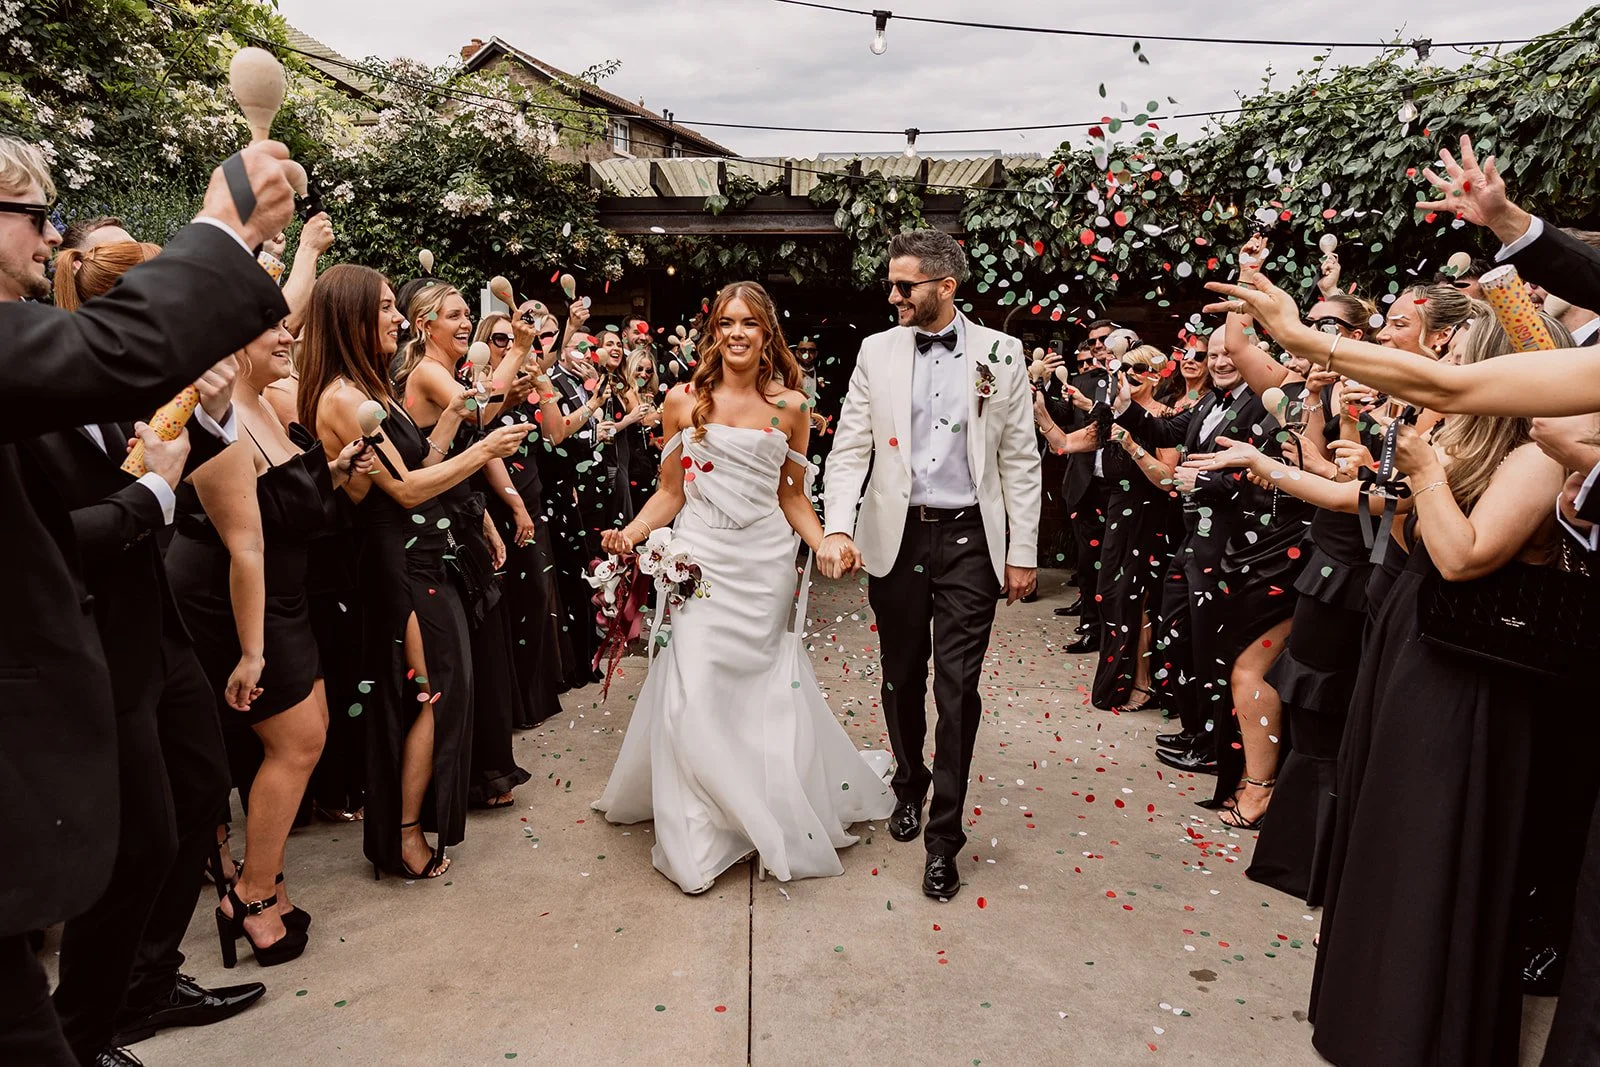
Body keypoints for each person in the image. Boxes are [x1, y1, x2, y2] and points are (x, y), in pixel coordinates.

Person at [0, 134, 296, 1066]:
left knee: (171, 817)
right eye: (32, 216)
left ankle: (109, 1011)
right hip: (66, 657)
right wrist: (223, 224)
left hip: (119, 639)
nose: (48, 238)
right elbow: (118, 356)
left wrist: (187, 431)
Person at [593, 281, 896, 894]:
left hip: (761, 566)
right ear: (715, 333)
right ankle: (700, 831)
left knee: (755, 688)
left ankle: (759, 803)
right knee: (694, 687)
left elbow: (792, 497)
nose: (737, 332)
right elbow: (672, 492)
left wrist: (825, 541)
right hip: (700, 560)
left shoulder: (792, 408)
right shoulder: (683, 402)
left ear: (767, 336)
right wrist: (632, 531)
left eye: (750, 324)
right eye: (727, 322)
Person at [819, 229, 1042, 901]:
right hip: (898, 535)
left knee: (958, 689)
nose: (892, 295)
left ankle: (944, 837)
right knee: (899, 676)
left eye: (904, 285)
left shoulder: (1002, 353)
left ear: (946, 287)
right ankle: (909, 781)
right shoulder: (875, 352)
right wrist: (836, 525)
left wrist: (1022, 550)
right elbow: (849, 448)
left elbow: (1020, 458)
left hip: (974, 538)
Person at [299, 265, 528, 880]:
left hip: (423, 553)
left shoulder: (365, 385)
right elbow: (404, 492)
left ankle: (409, 827)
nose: (398, 318)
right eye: (383, 308)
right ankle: (402, 837)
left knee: (441, 692)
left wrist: (455, 423)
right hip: (396, 561)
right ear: (350, 316)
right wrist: (484, 451)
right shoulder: (343, 398)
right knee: (431, 695)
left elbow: (421, 458)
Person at [168, 315, 376, 967]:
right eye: (273, 330)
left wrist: (339, 467)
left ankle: (270, 877)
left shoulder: (264, 399)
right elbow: (246, 545)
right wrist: (253, 651)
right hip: (236, 600)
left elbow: (288, 499)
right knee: (296, 739)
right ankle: (250, 897)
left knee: (307, 729)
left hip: (283, 595)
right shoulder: (222, 415)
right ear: (232, 345)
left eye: (290, 326)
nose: (290, 337)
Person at [396, 281, 532, 811]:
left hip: (458, 511)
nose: (461, 324)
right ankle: (466, 778)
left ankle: (480, 771)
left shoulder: (440, 369)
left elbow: (473, 431)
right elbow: (479, 415)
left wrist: (489, 524)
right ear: (424, 324)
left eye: (462, 314)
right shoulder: (427, 371)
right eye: (452, 316)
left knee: (481, 647)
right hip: (432, 523)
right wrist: (517, 351)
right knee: (461, 655)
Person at [1040, 346, 1180, 712]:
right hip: (1117, 508)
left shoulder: (1166, 417)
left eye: (1140, 369)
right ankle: (1120, 678)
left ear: (1157, 375)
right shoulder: (1109, 415)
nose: (1130, 375)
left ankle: (1144, 683)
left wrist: (1132, 445)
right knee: (1111, 593)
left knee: (1139, 599)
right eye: (1125, 368)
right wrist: (1038, 409)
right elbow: (1065, 443)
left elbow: (1167, 480)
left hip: (1148, 513)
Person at [473, 310, 565, 724]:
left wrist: (545, 393)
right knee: (512, 604)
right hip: (501, 503)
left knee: (539, 597)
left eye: (513, 340)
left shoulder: (525, 384)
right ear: (482, 343)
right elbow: (484, 447)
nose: (508, 347)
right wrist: (515, 507)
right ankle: (512, 707)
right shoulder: (477, 389)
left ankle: (534, 700)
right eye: (498, 339)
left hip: (532, 498)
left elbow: (555, 435)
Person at [1055, 320, 1118, 644]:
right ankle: (1092, 628)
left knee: (1115, 562)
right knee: (1088, 561)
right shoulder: (1084, 380)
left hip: (1121, 487)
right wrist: (1040, 386)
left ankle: (1115, 630)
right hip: (1086, 482)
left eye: (1103, 339)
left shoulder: (1134, 379)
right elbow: (1063, 419)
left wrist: (1091, 407)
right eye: (1092, 341)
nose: (1096, 345)